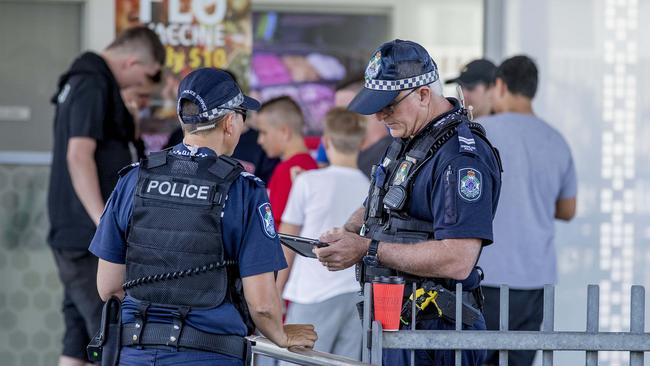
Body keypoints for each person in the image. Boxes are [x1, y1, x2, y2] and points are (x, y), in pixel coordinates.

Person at [89, 67, 317, 365]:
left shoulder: (134, 179)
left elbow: (108, 287)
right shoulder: (244, 189)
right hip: (211, 355)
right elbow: (261, 304)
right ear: (230, 122)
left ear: (184, 120)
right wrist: (281, 335)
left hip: (135, 353)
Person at [313, 39, 503, 366]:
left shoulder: (459, 158)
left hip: (438, 331)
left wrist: (366, 249)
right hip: (396, 320)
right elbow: (382, 203)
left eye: (389, 105)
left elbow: (458, 259)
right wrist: (346, 233)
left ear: (424, 94)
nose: (380, 115)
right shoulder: (408, 138)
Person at [47, 25, 164, 366]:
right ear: (132, 61)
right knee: (111, 334)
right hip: (86, 238)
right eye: (147, 75)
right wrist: (104, 224)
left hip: (78, 234)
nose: (143, 86)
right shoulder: (92, 82)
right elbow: (77, 155)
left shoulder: (87, 82)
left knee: (78, 338)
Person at [478, 55, 577, 366]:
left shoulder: (480, 132)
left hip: (483, 275)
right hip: (536, 279)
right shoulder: (556, 140)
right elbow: (567, 209)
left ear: (500, 85)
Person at [277, 107, 369, 363]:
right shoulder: (371, 189)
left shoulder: (308, 182)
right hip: (356, 295)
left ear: (325, 141)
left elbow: (286, 241)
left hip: (311, 293)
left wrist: (274, 294)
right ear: (362, 142)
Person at [256, 96, 318, 229]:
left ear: (284, 132)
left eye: (263, 132)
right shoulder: (311, 164)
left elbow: (276, 228)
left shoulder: (287, 169)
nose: (260, 140)